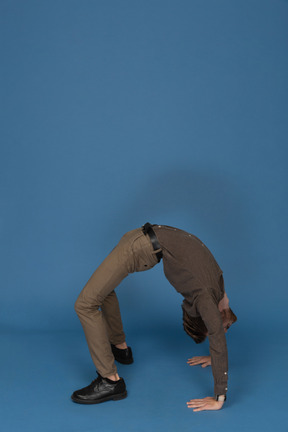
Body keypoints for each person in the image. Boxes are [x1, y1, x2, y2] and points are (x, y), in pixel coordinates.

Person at [71, 223, 237, 411]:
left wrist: (218, 384)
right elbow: (217, 333)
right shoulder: (213, 293)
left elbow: (217, 332)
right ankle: (120, 349)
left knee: (86, 304)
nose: (221, 329)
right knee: (97, 296)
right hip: (140, 243)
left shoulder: (213, 288)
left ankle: (110, 381)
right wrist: (219, 394)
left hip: (141, 244)